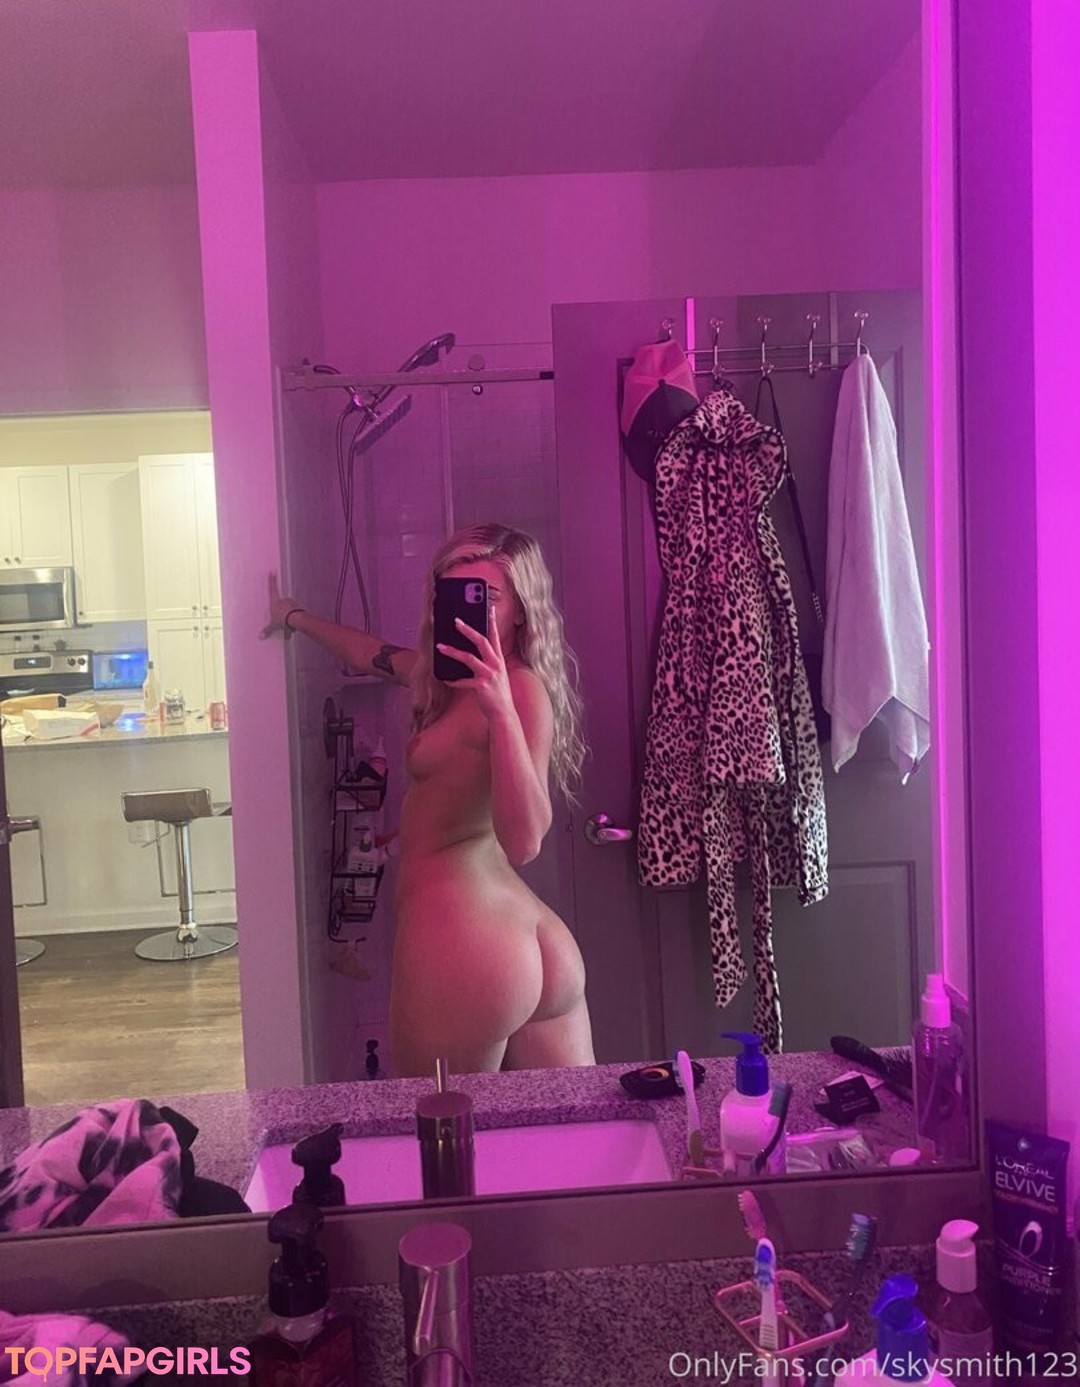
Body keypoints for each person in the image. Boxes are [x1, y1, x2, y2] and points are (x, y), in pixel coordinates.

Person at [263, 522, 596, 1077]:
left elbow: (525, 841)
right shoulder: (439, 680)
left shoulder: (519, 689)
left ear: (522, 609)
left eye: (487, 597)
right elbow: (371, 654)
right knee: (566, 1127)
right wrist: (293, 617)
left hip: (467, 939)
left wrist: (500, 710)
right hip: (511, 932)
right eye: (451, 594)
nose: (463, 612)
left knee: (439, 1126)